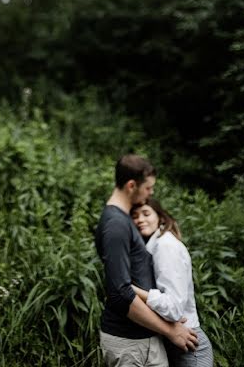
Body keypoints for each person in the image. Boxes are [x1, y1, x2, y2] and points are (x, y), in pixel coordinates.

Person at [95, 154, 199, 367]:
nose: (151, 192)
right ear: (132, 185)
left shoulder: (124, 219)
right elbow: (121, 293)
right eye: (149, 188)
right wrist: (170, 330)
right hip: (128, 343)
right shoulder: (116, 225)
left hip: (147, 337)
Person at [131, 199, 214, 367]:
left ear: (161, 218)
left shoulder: (165, 246)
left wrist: (131, 290)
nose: (140, 219)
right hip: (176, 341)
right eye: (134, 216)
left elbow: (173, 307)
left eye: (146, 214)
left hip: (189, 344)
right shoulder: (153, 245)